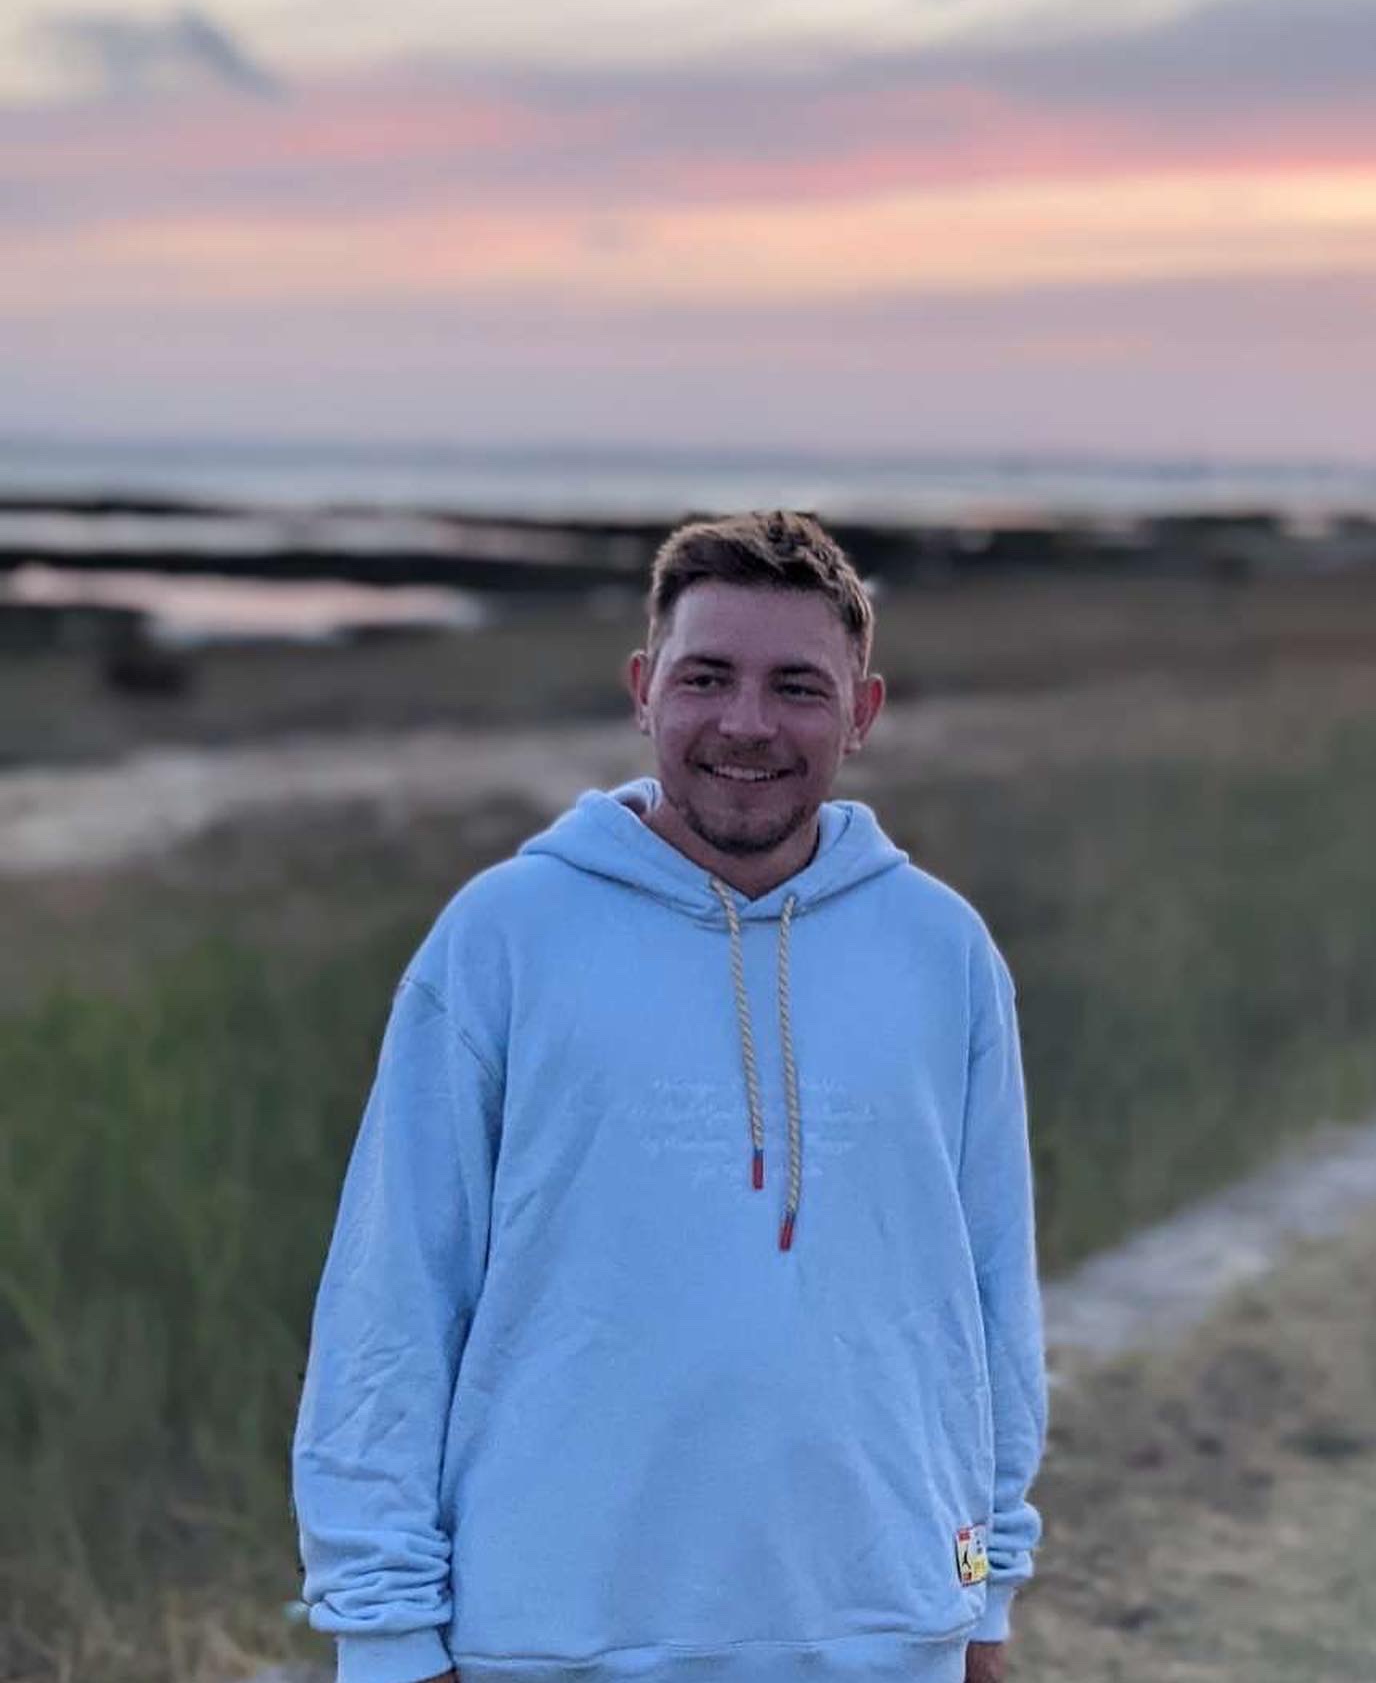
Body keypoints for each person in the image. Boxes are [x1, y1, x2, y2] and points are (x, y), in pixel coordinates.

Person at [292, 509, 1049, 1683]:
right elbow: (391, 1306)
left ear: (862, 712)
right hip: (554, 1640)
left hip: (885, 1630)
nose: (746, 723)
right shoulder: (505, 936)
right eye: (707, 677)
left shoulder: (940, 951)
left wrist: (983, 1591)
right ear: (645, 690)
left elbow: (991, 1302)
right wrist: (386, 1630)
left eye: (798, 687)